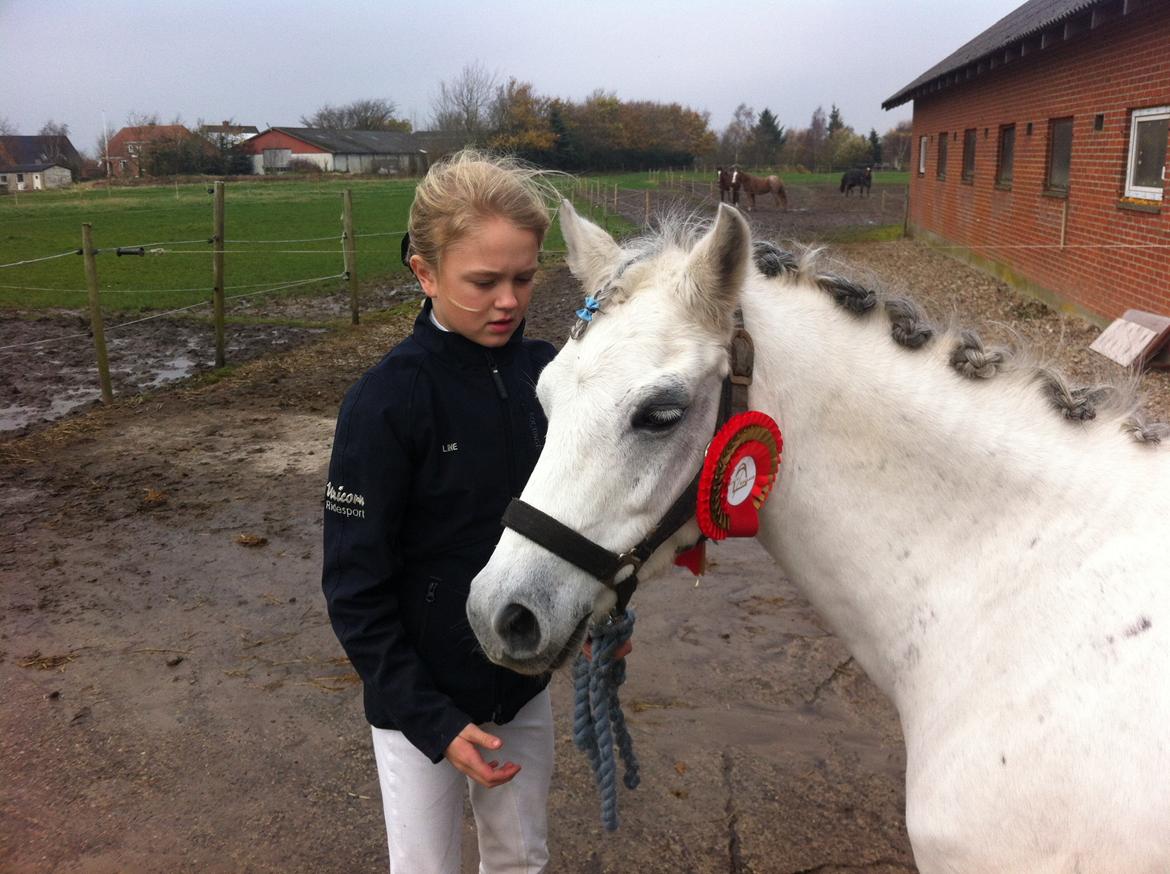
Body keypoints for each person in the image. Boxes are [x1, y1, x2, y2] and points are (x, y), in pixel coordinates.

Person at [321, 150, 560, 873]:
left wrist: (600, 617)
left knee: (522, 857)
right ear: (424, 274)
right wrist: (433, 719)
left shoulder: (548, 378)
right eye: (483, 282)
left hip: (520, 690)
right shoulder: (386, 403)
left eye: (523, 277)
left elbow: (569, 535)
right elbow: (354, 592)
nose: (509, 300)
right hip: (417, 703)